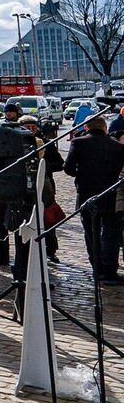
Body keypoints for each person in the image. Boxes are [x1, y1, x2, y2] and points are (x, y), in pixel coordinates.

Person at [63, 114, 124, 286]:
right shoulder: (117, 146)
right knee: (111, 234)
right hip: (109, 194)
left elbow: (68, 168)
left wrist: (81, 175)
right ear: (105, 128)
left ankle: (97, 269)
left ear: (87, 127)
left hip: (86, 194)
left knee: (91, 233)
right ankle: (110, 270)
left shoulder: (79, 143)